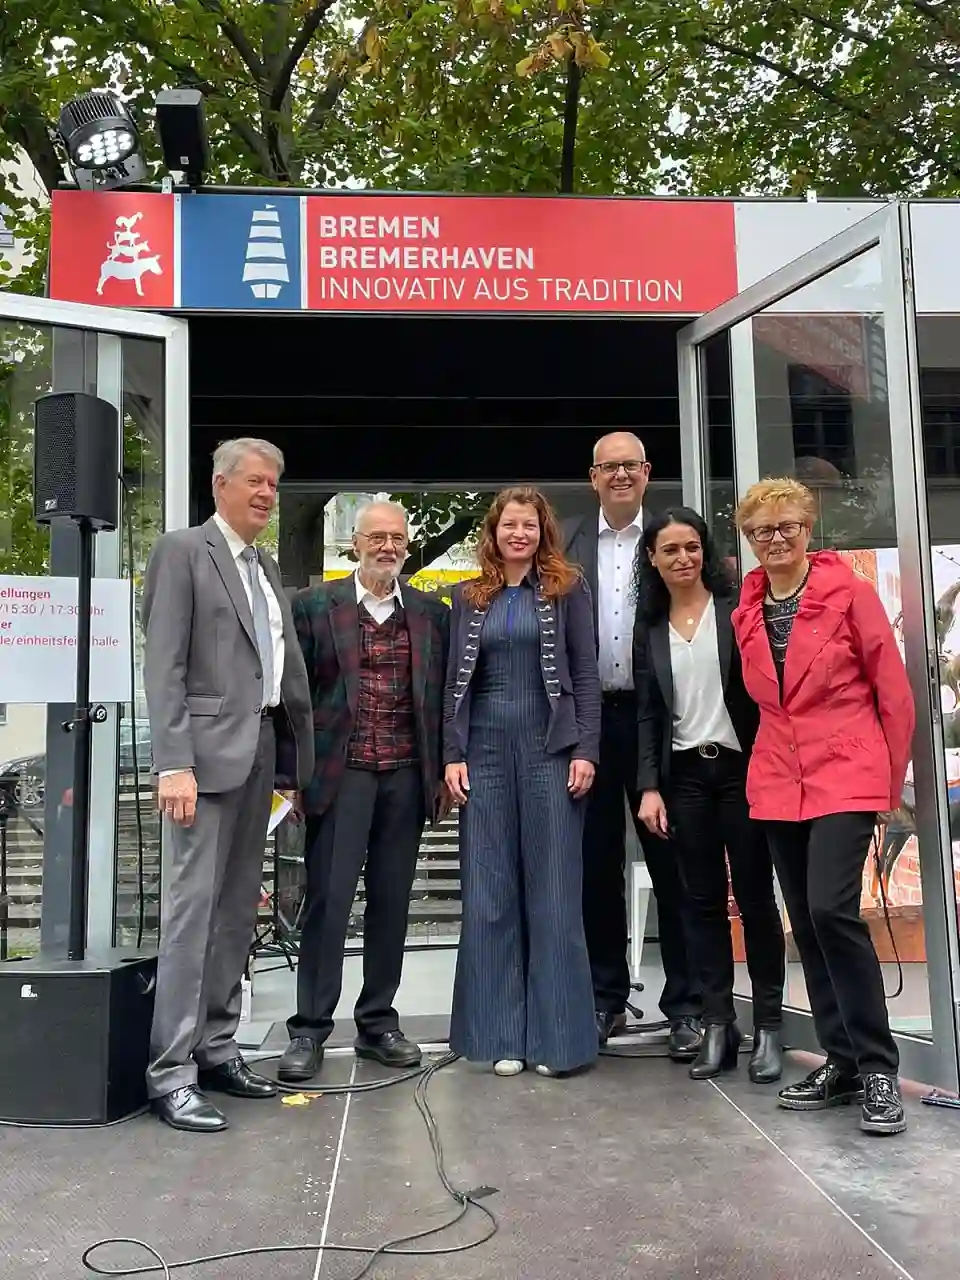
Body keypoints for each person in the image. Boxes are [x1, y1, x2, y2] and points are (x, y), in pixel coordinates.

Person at [733, 477, 915, 1135]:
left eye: (786, 526)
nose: (775, 538)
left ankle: (876, 1070)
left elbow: (892, 694)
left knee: (831, 911)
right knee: (804, 924)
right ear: (749, 539)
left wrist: (889, 788)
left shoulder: (850, 594)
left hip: (848, 768)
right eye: (761, 530)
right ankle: (840, 1061)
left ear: (808, 529)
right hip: (780, 778)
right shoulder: (746, 610)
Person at [142, 438, 314, 1134]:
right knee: (192, 914)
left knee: (238, 911)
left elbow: (273, 670)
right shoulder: (183, 551)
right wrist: (172, 762)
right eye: (255, 482)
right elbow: (166, 666)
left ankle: (217, 1050)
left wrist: (290, 768)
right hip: (201, 764)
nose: (267, 494)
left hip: (258, 755)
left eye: (274, 484)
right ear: (220, 485)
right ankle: (171, 1072)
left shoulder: (265, 565)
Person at [277, 502, 450, 1084]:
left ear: (407, 545)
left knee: (392, 904)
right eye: (376, 536)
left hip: (406, 775)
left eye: (397, 538)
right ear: (355, 544)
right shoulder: (313, 607)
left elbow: (444, 698)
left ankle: (378, 1023)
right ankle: (308, 1029)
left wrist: (446, 768)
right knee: (327, 902)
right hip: (339, 774)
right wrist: (290, 777)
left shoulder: (432, 613)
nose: (387, 546)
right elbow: (290, 703)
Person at [444, 487, 600, 1077]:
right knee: (489, 896)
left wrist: (586, 749)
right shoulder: (467, 596)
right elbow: (450, 689)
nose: (519, 534)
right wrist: (451, 755)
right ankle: (501, 1036)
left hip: (549, 752)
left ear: (543, 532)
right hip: (482, 753)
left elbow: (585, 672)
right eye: (509, 524)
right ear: (493, 532)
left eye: (529, 525)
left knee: (555, 894)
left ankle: (558, 1042)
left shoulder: (567, 590)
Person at [633, 509, 785, 1083]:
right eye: (669, 550)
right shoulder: (649, 628)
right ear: (653, 558)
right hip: (685, 778)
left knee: (755, 899)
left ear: (706, 552)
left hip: (743, 772)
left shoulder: (737, 614)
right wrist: (649, 787)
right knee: (698, 903)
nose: (682, 559)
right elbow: (648, 714)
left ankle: (769, 1023)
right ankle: (718, 1023)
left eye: (691, 547)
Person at [564, 432, 702, 1057]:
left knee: (673, 866)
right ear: (592, 476)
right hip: (589, 726)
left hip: (659, 726)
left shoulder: (668, 540)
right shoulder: (564, 543)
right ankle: (604, 997)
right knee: (595, 869)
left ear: (647, 473)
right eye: (608, 467)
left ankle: (687, 1007)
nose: (620, 475)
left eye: (630, 466)